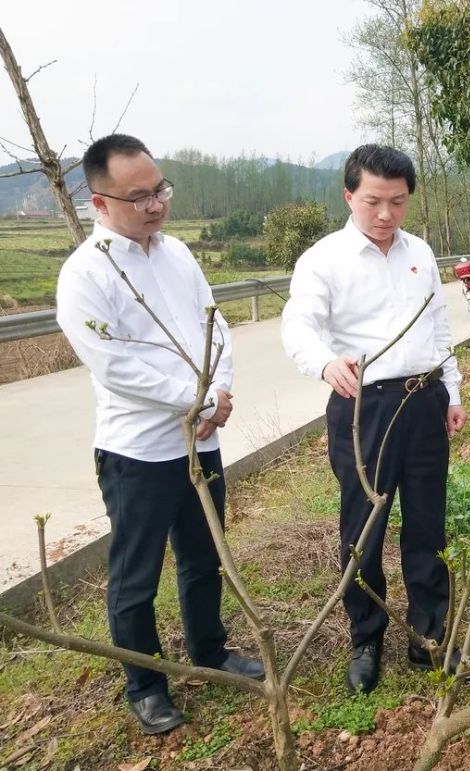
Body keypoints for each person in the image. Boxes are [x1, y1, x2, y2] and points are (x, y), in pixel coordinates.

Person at [56, 134, 263, 736]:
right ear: (100, 202)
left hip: (199, 440)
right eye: (139, 196)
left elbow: (213, 326)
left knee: (203, 559)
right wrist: (194, 398)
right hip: (138, 452)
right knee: (135, 576)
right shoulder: (85, 275)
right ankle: (145, 685)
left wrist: (219, 391)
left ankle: (209, 649)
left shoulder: (177, 255)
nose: (154, 205)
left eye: (160, 190)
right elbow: (114, 365)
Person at [281, 144, 467, 694]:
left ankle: (427, 634)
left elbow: (437, 330)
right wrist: (324, 362)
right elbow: (299, 326)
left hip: (424, 399)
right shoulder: (324, 259)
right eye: (373, 202)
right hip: (365, 406)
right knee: (364, 527)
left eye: (398, 202)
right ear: (349, 196)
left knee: (428, 521)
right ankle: (366, 636)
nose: (385, 215)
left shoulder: (420, 254)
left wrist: (450, 391)